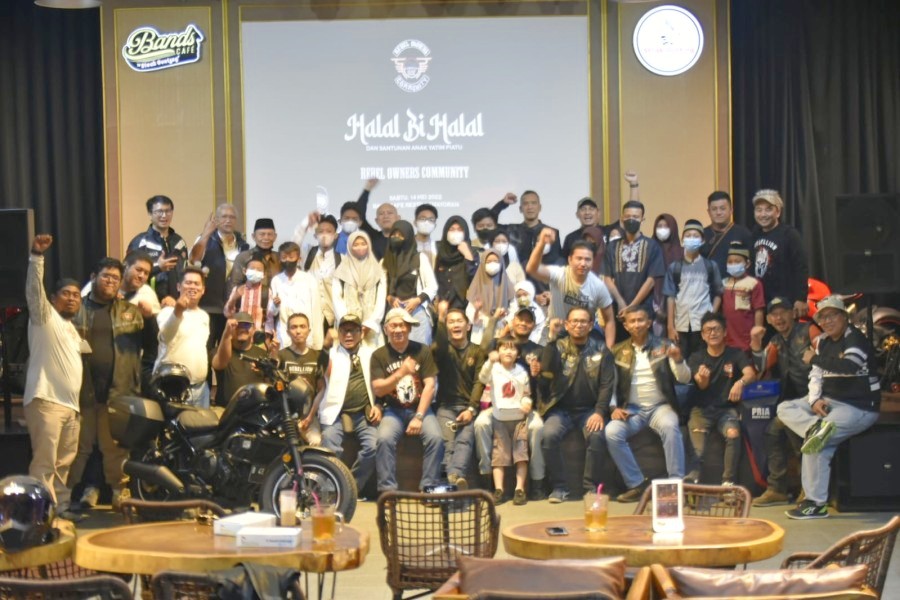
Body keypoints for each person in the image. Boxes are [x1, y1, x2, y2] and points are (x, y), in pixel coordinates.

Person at [778, 296, 880, 519]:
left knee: (816, 445)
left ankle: (815, 503)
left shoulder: (855, 338)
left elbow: (850, 366)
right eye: (823, 317)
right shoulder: (823, 341)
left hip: (858, 407)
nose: (827, 321)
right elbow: (816, 376)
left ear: (844, 316)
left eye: (832, 315)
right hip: (830, 402)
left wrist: (814, 359)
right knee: (785, 408)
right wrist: (814, 400)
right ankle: (815, 428)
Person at [69, 257, 143, 512]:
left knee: (115, 449)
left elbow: (148, 347)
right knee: (79, 448)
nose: (111, 281)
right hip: (82, 391)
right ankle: (66, 496)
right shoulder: (76, 310)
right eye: (106, 276)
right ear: (93, 277)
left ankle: (120, 494)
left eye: (115, 278)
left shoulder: (131, 312)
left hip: (118, 391)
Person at [23, 234, 83, 518]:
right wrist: (37, 257)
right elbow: (34, 291)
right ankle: (40, 516)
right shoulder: (44, 318)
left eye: (76, 295)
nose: (72, 298)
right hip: (46, 401)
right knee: (45, 464)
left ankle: (59, 510)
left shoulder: (72, 329)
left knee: (62, 464)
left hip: (71, 407)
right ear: (53, 299)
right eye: (66, 294)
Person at [606, 306, 690, 503]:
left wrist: (678, 360)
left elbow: (685, 379)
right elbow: (610, 384)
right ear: (626, 326)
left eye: (641, 320)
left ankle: (675, 485)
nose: (637, 324)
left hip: (661, 407)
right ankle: (636, 485)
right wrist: (613, 408)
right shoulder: (617, 351)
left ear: (649, 323)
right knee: (611, 432)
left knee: (670, 426)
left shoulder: (665, 345)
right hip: (632, 409)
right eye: (632, 321)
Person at [537, 307, 615, 504]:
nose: (579, 325)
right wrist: (551, 339)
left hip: (589, 410)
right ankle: (559, 487)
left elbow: (607, 385)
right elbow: (545, 378)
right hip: (560, 409)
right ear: (567, 324)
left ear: (590, 325)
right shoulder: (556, 347)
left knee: (597, 436)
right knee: (548, 435)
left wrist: (599, 412)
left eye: (583, 321)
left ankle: (590, 488)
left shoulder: (602, 349)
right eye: (574, 321)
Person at [749, 297, 820, 507]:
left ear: (793, 314)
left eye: (783, 313)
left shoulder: (808, 330)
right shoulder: (775, 341)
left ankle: (808, 489)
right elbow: (761, 367)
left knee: (794, 433)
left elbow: (827, 356)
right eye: (774, 314)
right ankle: (777, 489)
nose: (779, 318)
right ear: (769, 319)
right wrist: (755, 344)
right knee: (772, 431)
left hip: (816, 399)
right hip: (792, 403)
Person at [473, 306, 546, 497]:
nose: (523, 323)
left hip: (523, 408)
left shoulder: (537, 351)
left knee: (537, 427)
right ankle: (487, 480)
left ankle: (536, 484)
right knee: (481, 423)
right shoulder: (498, 347)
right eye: (519, 319)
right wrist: (494, 322)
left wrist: (537, 378)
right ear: (513, 321)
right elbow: (483, 360)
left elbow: (537, 385)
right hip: (497, 408)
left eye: (528, 321)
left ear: (534, 325)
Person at [371, 308, 444, 492]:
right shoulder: (379, 355)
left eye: (402, 325)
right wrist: (401, 372)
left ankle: (428, 487)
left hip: (421, 409)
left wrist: (419, 417)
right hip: (393, 410)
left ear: (409, 328)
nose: (398, 330)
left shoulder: (422, 350)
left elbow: (430, 385)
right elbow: (378, 389)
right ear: (386, 329)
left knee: (436, 438)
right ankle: (388, 491)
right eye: (394, 326)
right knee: (383, 439)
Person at [686, 312, 756, 486]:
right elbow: (701, 385)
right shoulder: (696, 357)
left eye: (716, 329)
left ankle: (728, 482)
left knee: (733, 433)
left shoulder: (735, 354)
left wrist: (740, 382)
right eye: (708, 330)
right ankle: (692, 483)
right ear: (703, 335)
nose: (712, 333)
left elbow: (750, 374)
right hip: (701, 410)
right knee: (697, 449)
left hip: (727, 409)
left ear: (725, 332)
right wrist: (703, 378)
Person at [316, 314, 378, 492]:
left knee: (374, 446)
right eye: (344, 331)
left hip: (363, 413)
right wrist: (326, 346)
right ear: (338, 333)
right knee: (329, 445)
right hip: (335, 413)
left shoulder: (372, 353)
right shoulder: (330, 353)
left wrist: (378, 406)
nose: (348, 335)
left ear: (361, 333)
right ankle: (330, 491)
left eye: (353, 331)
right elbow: (318, 371)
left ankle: (350, 488)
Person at [527, 229, 616, 349]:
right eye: (579, 258)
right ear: (570, 259)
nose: (583, 263)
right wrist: (542, 243)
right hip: (554, 330)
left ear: (592, 261)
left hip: (582, 335)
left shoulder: (598, 286)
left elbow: (609, 320)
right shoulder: (559, 274)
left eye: (587, 259)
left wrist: (609, 352)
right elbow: (532, 269)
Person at [433, 301, 487, 491]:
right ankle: (455, 482)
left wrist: (471, 409)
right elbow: (439, 343)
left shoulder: (477, 351)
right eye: (451, 322)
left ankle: (452, 481)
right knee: (447, 444)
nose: (455, 325)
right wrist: (440, 318)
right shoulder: (441, 351)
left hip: (468, 408)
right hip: (445, 407)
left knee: (464, 441)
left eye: (459, 321)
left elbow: (479, 382)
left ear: (468, 326)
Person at [601, 201, 666, 343]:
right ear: (622, 219)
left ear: (642, 219)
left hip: (643, 309)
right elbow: (607, 278)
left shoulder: (652, 246)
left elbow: (651, 280)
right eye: (628, 216)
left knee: (643, 347)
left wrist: (631, 307)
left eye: (636, 217)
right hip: (618, 309)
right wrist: (621, 302)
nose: (631, 220)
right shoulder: (612, 246)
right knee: (619, 348)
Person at [480, 337, 533, 505]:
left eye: (512, 348)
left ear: (518, 354)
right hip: (499, 419)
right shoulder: (494, 369)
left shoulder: (522, 372)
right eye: (504, 348)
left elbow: (526, 393)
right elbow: (482, 378)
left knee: (521, 455)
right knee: (499, 456)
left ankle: (519, 489)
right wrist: (490, 361)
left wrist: (527, 402)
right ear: (498, 351)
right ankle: (499, 489)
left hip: (519, 419)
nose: (508, 351)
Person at [190, 204, 249, 350]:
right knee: (205, 349)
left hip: (232, 308)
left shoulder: (243, 245)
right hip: (208, 307)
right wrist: (206, 233)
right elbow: (193, 259)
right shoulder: (206, 239)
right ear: (216, 219)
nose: (228, 220)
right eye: (224, 217)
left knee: (228, 350)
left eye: (232, 217)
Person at [663, 219, 723, 360]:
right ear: (682, 240)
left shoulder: (710, 266)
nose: (691, 239)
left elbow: (718, 293)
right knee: (681, 361)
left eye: (695, 236)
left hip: (703, 324)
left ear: (702, 240)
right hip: (681, 324)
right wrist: (670, 326)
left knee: (703, 360)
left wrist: (712, 315)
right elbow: (670, 297)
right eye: (688, 236)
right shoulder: (675, 267)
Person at [155, 266, 210, 407]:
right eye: (188, 283)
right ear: (179, 286)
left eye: (197, 284)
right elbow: (165, 337)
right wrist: (178, 311)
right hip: (172, 388)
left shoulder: (204, 316)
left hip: (200, 389)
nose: (193, 287)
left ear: (203, 290)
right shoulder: (167, 311)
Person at [751, 189, 809, 317]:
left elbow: (801, 267)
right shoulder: (754, 233)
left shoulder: (789, 234)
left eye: (768, 209)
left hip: (785, 303)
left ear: (778, 212)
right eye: (759, 210)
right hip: (761, 303)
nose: (763, 214)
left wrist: (801, 298)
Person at [383, 220, 438, 345]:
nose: (396, 238)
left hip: (416, 311)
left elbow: (432, 286)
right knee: (396, 352)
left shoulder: (419, 258)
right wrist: (390, 298)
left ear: (408, 237)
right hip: (394, 313)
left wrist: (417, 300)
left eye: (400, 235)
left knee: (419, 351)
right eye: (393, 234)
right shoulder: (386, 261)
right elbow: (383, 288)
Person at [276, 312, 327, 445]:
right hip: (285, 414)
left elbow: (322, 389)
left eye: (302, 326)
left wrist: (309, 417)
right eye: (294, 327)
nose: (298, 331)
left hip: (308, 414)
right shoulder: (281, 355)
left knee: (316, 442)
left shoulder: (317, 356)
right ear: (288, 332)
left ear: (309, 331)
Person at [127, 195, 189, 302]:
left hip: (176, 302)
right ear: (150, 214)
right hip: (148, 301)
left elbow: (184, 272)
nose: (164, 215)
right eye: (159, 211)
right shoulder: (141, 242)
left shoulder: (179, 242)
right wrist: (158, 267)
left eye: (168, 211)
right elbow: (129, 274)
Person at [332, 231, 386, 348]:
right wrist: (348, 323)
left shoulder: (378, 271)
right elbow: (337, 299)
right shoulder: (340, 272)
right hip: (346, 329)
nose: (360, 247)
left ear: (369, 245)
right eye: (356, 245)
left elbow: (380, 300)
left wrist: (370, 324)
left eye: (363, 244)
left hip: (371, 329)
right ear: (349, 247)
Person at [267, 242, 323, 351]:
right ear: (280, 259)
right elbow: (272, 312)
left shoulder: (309, 279)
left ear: (299, 259)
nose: (287, 260)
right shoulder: (276, 280)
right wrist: (275, 305)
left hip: (305, 332)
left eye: (291, 257)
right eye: (284, 257)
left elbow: (316, 311)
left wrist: (317, 342)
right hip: (284, 332)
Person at [119, 250, 161, 394]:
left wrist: (149, 317)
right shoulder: (106, 286)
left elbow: (155, 338)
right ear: (125, 266)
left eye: (146, 273)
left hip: (132, 365)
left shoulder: (148, 294)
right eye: (138, 270)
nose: (142, 276)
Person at [295, 213, 341, 334]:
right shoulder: (308, 252)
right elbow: (293, 245)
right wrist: (305, 224)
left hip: (334, 318)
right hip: (310, 316)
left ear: (336, 235)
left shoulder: (342, 258)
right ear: (315, 235)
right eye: (320, 231)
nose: (324, 235)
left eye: (329, 231)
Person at [211, 312, 268, 407]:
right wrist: (227, 335)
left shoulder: (262, 354)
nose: (242, 329)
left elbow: (268, 383)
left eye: (246, 325)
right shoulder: (219, 351)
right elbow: (220, 364)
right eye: (237, 326)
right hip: (226, 409)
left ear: (253, 329)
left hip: (255, 409)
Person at [721, 242, 765, 351]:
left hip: (746, 337)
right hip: (727, 337)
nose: (733, 264)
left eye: (737, 262)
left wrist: (757, 332)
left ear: (747, 263)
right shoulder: (724, 283)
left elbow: (759, 309)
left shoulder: (754, 283)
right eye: (730, 262)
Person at [228, 218, 280, 309]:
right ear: (253, 236)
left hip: (275, 308)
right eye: (262, 234)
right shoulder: (243, 257)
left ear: (275, 236)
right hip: (248, 309)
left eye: (270, 234)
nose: (266, 238)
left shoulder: (279, 258)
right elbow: (233, 286)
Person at [466, 249, 515, 345]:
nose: (492, 264)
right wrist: (477, 312)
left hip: (501, 330)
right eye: (488, 262)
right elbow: (470, 312)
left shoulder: (507, 285)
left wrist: (505, 321)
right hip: (480, 332)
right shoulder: (477, 284)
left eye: (496, 261)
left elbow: (514, 308)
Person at [701, 191, 753, 276]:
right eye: (714, 209)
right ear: (709, 212)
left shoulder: (743, 234)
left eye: (722, 208)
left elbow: (751, 264)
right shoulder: (701, 235)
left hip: (735, 282)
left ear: (731, 210)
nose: (718, 212)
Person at [434, 216, 478, 309]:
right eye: (452, 229)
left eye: (459, 229)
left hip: (464, 305)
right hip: (443, 305)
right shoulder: (441, 253)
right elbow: (437, 279)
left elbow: (475, 280)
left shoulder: (472, 252)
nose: (455, 233)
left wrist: (467, 255)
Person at [651, 214, 683, 337]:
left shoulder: (681, 252)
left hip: (678, 305)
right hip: (653, 303)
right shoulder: (650, 249)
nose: (662, 229)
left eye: (666, 226)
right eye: (659, 226)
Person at [336, 178, 385, 258]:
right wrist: (366, 190)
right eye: (347, 218)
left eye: (354, 219)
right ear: (340, 220)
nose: (350, 221)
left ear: (360, 222)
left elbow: (361, 210)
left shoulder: (368, 242)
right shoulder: (332, 241)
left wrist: (367, 190)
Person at [224, 254, 267, 331]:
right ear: (244, 271)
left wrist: (268, 334)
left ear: (264, 274)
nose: (255, 271)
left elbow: (270, 318)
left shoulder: (267, 292)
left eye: (259, 270)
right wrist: (234, 298)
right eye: (252, 268)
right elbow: (227, 313)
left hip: (258, 333)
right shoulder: (237, 289)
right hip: (238, 332)